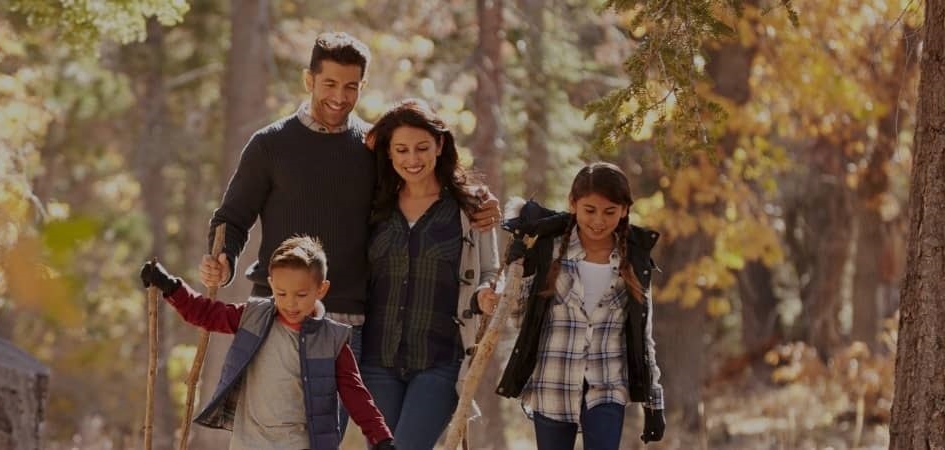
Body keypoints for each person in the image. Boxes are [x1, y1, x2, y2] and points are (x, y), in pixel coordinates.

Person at [201, 31, 501, 434]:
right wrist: (224, 259)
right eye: (329, 84)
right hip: (277, 315)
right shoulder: (270, 145)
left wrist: (475, 201)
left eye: (351, 86)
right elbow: (232, 218)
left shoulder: (370, 148)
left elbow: (416, 184)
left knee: (325, 437)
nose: (339, 97)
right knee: (271, 433)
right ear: (309, 80)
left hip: (348, 326)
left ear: (362, 85)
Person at [141, 236, 396, 450]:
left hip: (298, 444)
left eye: (301, 294)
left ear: (321, 289)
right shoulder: (253, 317)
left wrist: (381, 438)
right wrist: (170, 286)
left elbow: (356, 395)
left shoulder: (332, 341)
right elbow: (206, 313)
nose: (290, 303)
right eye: (282, 293)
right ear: (271, 284)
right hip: (249, 442)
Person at [494, 162, 668, 450]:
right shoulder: (548, 249)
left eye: (610, 211)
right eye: (590, 210)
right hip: (553, 383)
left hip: (607, 386)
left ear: (624, 210)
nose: (599, 220)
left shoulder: (635, 260)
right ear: (573, 204)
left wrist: (654, 402)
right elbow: (519, 317)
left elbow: (643, 337)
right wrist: (521, 271)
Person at [359, 99, 500, 449]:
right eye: (401, 149)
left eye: (422, 148)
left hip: (440, 360)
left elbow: (489, 269)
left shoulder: (470, 208)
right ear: (389, 154)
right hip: (378, 361)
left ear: (439, 145)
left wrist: (485, 293)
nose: (412, 159)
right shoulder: (375, 206)